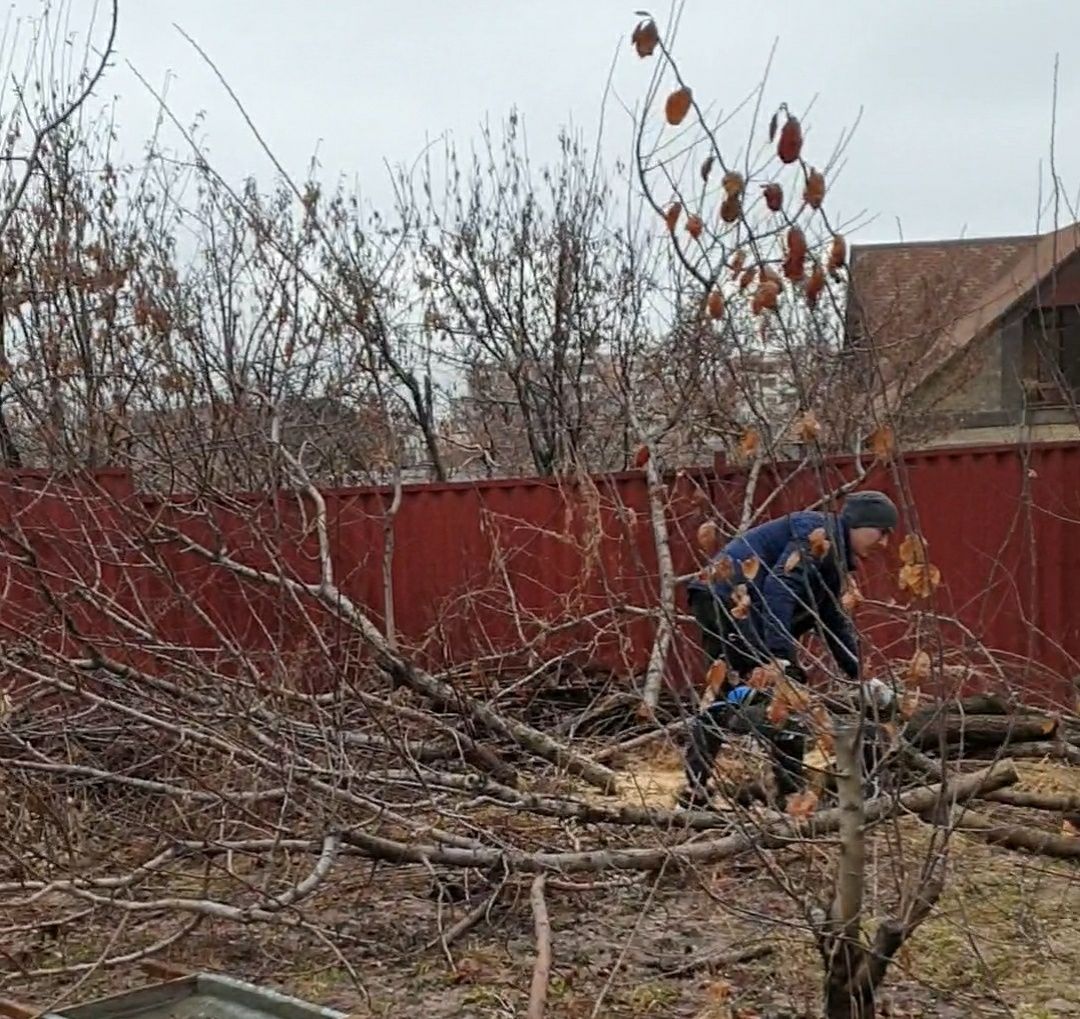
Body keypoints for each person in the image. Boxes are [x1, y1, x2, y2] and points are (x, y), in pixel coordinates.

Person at [679, 490, 899, 808]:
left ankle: (694, 791)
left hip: (717, 596)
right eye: (882, 532)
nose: (884, 543)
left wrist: (860, 674)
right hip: (731, 598)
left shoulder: (829, 555)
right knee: (788, 692)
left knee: (727, 691)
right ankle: (788, 797)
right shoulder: (817, 536)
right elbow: (780, 587)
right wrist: (778, 655)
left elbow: (830, 618)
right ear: (858, 524)